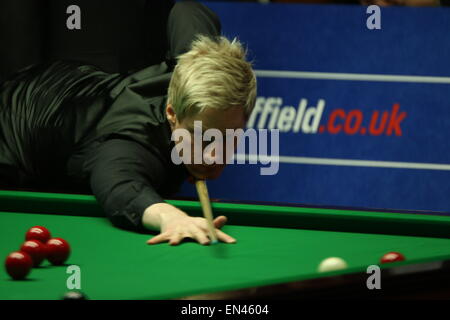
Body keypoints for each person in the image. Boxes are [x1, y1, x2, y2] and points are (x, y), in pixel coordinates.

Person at [0, 1, 257, 246]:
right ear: (172, 114)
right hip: (14, 125)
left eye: (226, 137)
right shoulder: (133, 139)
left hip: (74, 91)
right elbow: (118, 184)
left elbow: (187, 10)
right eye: (200, 136)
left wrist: (203, 53)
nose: (213, 154)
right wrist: (171, 216)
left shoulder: (195, 65)